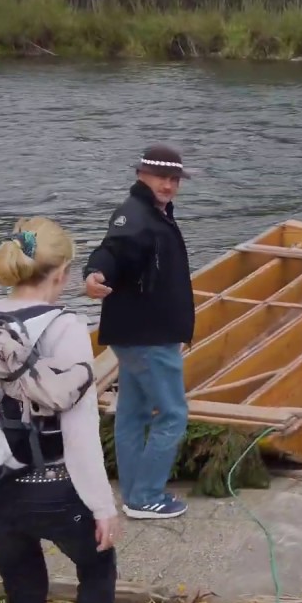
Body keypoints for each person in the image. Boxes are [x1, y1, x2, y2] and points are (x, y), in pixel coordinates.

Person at [0, 218, 133, 603]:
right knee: (97, 569)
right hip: (54, 489)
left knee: (23, 597)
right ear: (61, 272)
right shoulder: (63, 328)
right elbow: (79, 428)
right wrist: (103, 505)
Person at [83, 144, 195, 521]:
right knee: (173, 415)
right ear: (141, 175)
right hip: (149, 336)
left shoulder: (155, 213)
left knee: (132, 413)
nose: (169, 185)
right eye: (162, 177)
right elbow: (112, 251)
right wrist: (96, 274)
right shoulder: (135, 217)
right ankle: (146, 496)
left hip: (138, 333)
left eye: (175, 179)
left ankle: (133, 493)